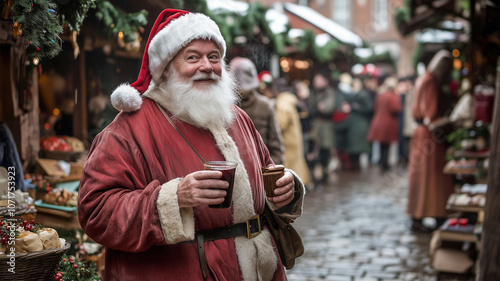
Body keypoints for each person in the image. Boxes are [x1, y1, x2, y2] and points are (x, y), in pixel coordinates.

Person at [77, 9, 305, 281]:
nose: (207, 66)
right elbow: (96, 211)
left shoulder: (237, 117)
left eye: (214, 57)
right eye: (193, 57)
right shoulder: (128, 129)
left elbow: (267, 170)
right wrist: (175, 197)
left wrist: (287, 187)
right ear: (166, 68)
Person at [407, 50, 454, 233]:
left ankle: (421, 216)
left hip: (422, 134)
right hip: (429, 136)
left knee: (422, 178)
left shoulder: (423, 79)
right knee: (433, 178)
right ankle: (436, 214)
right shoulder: (430, 82)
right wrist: (451, 121)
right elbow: (431, 117)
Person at [229, 57, 285, 165]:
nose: (241, 90)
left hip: (261, 167)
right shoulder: (225, 107)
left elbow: (276, 145)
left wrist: (271, 172)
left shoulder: (264, 105)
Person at [273, 78, 312, 187]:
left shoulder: (282, 103)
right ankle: (300, 183)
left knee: (290, 168)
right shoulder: (290, 100)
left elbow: (280, 125)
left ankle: (295, 186)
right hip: (293, 139)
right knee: (296, 164)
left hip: (287, 142)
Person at [307, 71, 337, 189]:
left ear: (325, 81)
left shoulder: (329, 92)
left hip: (326, 127)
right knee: (312, 153)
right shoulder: (314, 93)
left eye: (318, 80)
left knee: (324, 153)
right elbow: (311, 107)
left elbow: (328, 108)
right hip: (314, 127)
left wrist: (320, 108)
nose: (316, 83)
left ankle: (322, 177)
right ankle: (315, 177)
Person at [367, 76, 402, 172]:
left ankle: (382, 161)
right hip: (388, 123)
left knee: (382, 144)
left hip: (378, 121)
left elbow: (375, 107)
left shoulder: (380, 95)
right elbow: (396, 109)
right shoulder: (393, 96)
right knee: (387, 145)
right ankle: (384, 163)